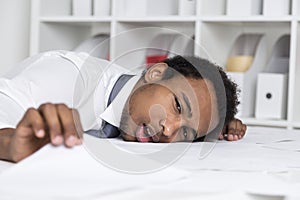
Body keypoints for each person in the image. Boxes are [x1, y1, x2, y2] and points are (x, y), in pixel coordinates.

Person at [0, 51, 246, 163]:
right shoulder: (72, 77)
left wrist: (220, 125)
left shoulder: (140, 102)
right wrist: (10, 143)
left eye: (185, 133)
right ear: (156, 72)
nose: (169, 130)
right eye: (179, 107)